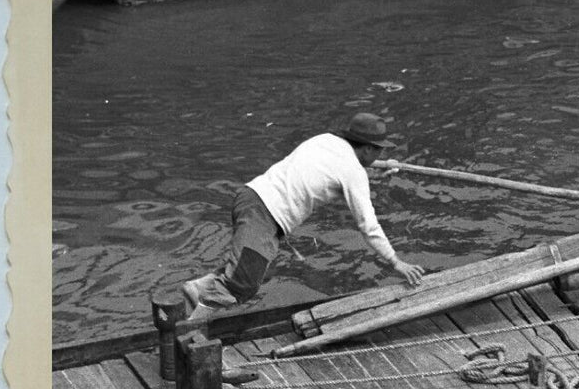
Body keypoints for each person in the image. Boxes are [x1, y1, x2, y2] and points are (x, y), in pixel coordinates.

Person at [181, 112, 425, 320]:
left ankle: (197, 290)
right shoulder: (353, 172)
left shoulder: (325, 141)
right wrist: (396, 262)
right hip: (263, 214)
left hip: (249, 197)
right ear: (369, 148)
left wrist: (376, 169)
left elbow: (332, 176)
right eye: (379, 151)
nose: (380, 156)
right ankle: (191, 331)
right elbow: (368, 225)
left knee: (242, 269)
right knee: (243, 283)